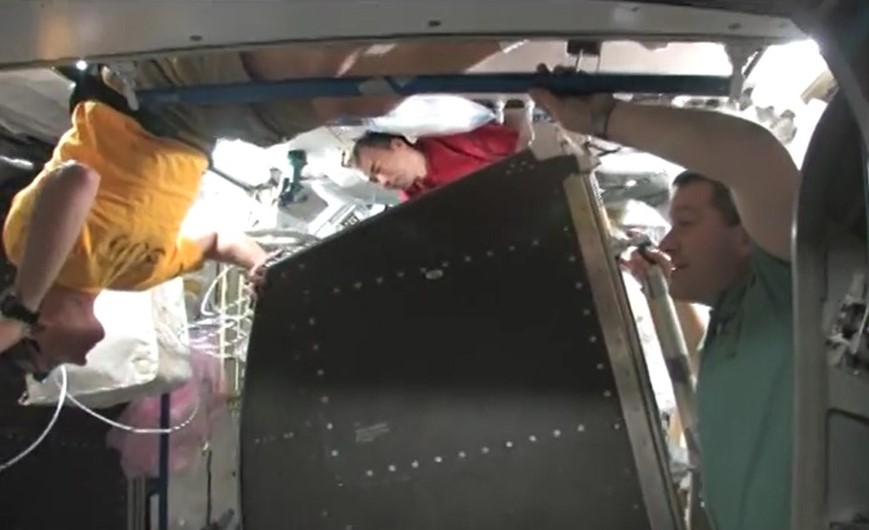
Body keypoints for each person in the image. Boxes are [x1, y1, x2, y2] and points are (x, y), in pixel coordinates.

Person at [0, 40, 513, 374]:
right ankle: (503, 25)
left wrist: (21, 308)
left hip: (149, 102)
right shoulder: (132, 276)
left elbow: (76, 180)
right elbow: (216, 241)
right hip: (202, 132)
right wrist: (256, 263)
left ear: (39, 331)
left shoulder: (28, 250)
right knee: (368, 98)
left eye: (49, 364)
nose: (78, 360)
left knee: (323, 57)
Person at [530, 72, 799, 530]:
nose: (670, 242)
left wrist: (603, 117)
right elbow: (705, 372)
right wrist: (658, 289)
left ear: (747, 236)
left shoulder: (790, 293)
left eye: (687, 222)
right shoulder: (732, 322)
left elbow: (755, 156)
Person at [349, 100, 533, 200]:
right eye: (375, 180)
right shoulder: (413, 200)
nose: (383, 182)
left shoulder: (451, 137)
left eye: (378, 169)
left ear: (398, 145)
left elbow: (521, 147)